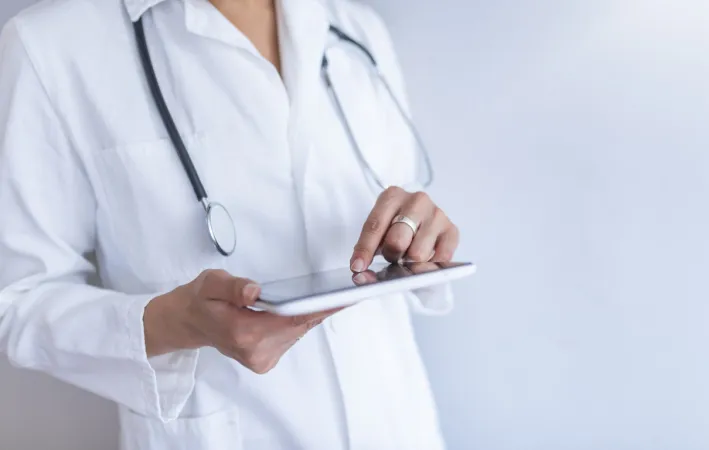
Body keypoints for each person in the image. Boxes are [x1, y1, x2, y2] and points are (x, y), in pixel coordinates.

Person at [0, 0, 461, 448]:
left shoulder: (355, 29)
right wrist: (177, 322)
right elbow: (17, 301)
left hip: (402, 427)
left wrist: (420, 236)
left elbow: (402, 221)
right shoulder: (50, 48)